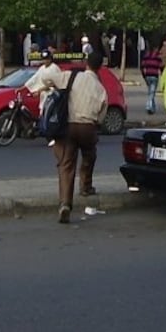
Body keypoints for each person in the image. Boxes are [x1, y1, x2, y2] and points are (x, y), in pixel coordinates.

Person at [52, 51, 108, 224]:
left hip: (69, 125)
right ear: (100, 67)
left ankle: (65, 204)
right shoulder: (101, 88)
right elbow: (102, 114)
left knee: (66, 165)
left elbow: (51, 79)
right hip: (88, 127)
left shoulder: (71, 77)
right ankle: (85, 186)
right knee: (89, 155)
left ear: (86, 63)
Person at [25, 49, 65, 145]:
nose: (45, 61)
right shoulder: (42, 68)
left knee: (47, 114)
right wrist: (24, 87)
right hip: (45, 95)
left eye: (47, 59)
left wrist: (40, 90)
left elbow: (55, 83)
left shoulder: (54, 68)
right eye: (44, 59)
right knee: (42, 113)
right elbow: (35, 78)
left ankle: (50, 136)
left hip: (53, 94)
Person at [140, 44, 163, 114]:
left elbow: (142, 66)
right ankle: (148, 106)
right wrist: (162, 73)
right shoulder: (157, 58)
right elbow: (161, 66)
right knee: (152, 92)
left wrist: (144, 75)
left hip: (147, 76)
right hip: (154, 76)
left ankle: (153, 108)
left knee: (150, 91)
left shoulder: (146, 57)